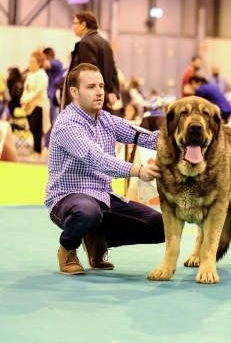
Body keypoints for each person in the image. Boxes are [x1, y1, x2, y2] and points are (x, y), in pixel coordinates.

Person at [45, 63, 164, 275]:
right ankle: (68, 248)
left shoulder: (106, 119)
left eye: (101, 85)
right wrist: (137, 170)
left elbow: (143, 136)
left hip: (104, 197)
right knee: (87, 212)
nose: (100, 91)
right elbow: (96, 158)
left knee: (162, 226)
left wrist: (179, 138)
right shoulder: (67, 123)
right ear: (74, 92)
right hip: (67, 199)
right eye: (91, 87)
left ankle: (97, 238)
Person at [62, 11, 119, 112]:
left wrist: (105, 97)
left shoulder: (86, 43)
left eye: (75, 23)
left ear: (83, 25)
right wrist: (112, 94)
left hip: (88, 104)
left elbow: (90, 75)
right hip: (102, 101)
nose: (72, 27)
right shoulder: (105, 43)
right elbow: (114, 71)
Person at [21, 52, 51, 160]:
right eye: (30, 62)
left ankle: (37, 153)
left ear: (39, 63)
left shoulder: (42, 74)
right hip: (29, 106)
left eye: (33, 62)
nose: (30, 64)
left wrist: (27, 100)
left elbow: (39, 91)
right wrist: (23, 99)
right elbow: (26, 89)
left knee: (37, 129)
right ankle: (35, 151)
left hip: (39, 105)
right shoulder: (30, 75)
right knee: (33, 129)